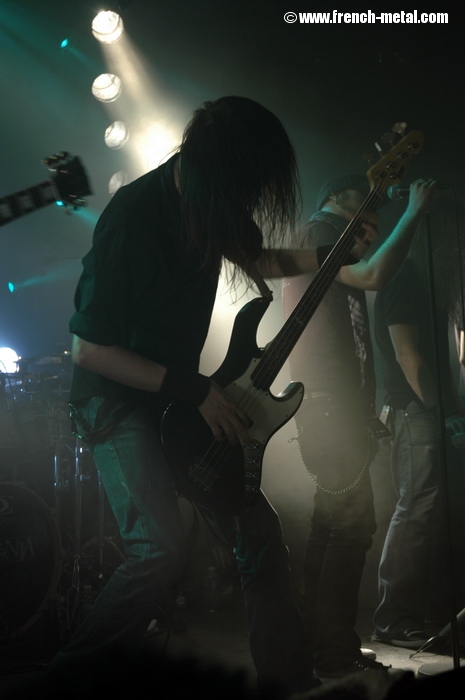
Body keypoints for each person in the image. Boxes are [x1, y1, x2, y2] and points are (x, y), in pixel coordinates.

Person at [44, 95, 334, 698]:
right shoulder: (133, 218)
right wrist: (195, 388)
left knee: (258, 536)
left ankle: (291, 685)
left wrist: (329, 256)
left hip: (178, 398)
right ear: (210, 170)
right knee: (157, 548)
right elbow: (89, 351)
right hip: (114, 398)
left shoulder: (215, 199)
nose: (246, 203)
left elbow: (258, 258)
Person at [282, 173, 438, 681]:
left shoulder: (329, 240)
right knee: (350, 527)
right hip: (327, 407)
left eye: (375, 221)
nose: (370, 225)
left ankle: (323, 646)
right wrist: (412, 212)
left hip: (335, 406)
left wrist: (363, 408)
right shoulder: (319, 233)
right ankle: (331, 653)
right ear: (335, 198)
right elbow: (374, 275)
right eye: (363, 209)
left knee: (334, 527)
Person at [371, 208, 465, 649]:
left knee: (426, 513)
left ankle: (414, 615)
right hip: (415, 413)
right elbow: (407, 356)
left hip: (426, 412)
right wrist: (440, 408)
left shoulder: (426, 283)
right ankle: (393, 620)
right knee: (416, 511)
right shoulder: (404, 279)